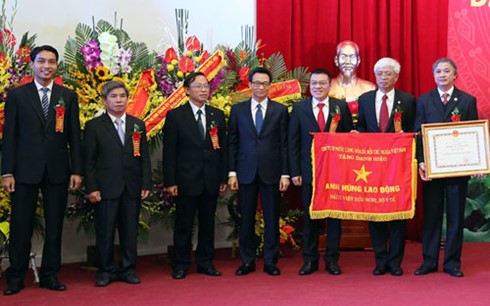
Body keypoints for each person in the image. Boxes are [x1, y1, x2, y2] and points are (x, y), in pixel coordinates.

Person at [1, 45, 82, 295]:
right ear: (32, 64)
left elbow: (74, 138)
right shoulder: (17, 95)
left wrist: (76, 170)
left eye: (52, 62)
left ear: (57, 66)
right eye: (41, 61)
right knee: (20, 225)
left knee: (55, 225)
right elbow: (10, 137)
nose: (47, 66)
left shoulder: (67, 96)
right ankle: (15, 276)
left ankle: (50, 274)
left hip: (57, 171)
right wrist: (7, 172)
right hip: (23, 171)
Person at [414, 58, 478, 278]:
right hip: (432, 170)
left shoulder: (468, 101)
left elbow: (473, 133)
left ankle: (452, 263)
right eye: (438, 71)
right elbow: (418, 135)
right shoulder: (423, 101)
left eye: (446, 71)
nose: (442, 74)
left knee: (455, 217)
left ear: (455, 74)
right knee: (431, 217)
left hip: (457, 170)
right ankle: (429, 261)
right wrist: (421, 161)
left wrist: (476, 161)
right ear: (433, 76)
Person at [84, 81, 151, 287]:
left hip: (131, 187)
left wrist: (145, 183)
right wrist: (92, 188)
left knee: (130, 231)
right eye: (114, 96)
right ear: (105, 100)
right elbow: (89, 161)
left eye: (122, 96)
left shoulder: (137, 124)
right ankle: (105, 270)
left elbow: (145, 158)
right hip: (105, 189)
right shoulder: (94, 126)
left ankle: (128, 268)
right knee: (105, 231)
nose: (119, 100)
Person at [163, 71, 227, 279]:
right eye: (198, 86)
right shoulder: (175, 116)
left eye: (206, 86)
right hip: (185, 180)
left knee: (208, 224)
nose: (203, 89)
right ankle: (181, 264)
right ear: (186, 90)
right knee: (184, 225)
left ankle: (205, 262)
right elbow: (169, 152)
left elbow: (223, 149)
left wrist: (223, 177)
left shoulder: (217, 115)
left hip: (210, 179)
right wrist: (170, 181)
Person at [289, 68, 353, 276]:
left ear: (329, 85)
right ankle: (310, 260)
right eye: (314, 83)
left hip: (335, 172)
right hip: (309, 172)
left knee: (334, 217)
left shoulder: (340, 107)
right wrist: (295, 171)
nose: (318, 87)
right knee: (311, 217)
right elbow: (293, 142)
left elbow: (348, 140)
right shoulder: (299, 108)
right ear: (309, 86)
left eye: (322, 83)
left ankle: (332, 260)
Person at [357, 57, 416, 276]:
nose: (383, 77)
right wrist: (357, 135)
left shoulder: (408, 100)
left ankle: (395, 262)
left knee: (398, 215)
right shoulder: (364, 99)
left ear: (396, 76)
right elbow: (362, 126)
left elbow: (413, 131)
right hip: (372, 167)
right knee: (376, 214)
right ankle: (380, 260)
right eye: (380, 73)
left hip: (398, 167)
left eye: (388, 73)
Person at [228, 67, 290, 277]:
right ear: (250, 84)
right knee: (246, 218)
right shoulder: (238, 110)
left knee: (272, 218)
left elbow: (284, 145)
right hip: (245, 172)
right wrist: (232, 172)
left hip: (272, 172)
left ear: (269, 86)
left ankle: (271, 261)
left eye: (265, 83)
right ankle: (247, 261)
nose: (260, 87)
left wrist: (285, 174)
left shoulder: (280, 111)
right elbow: (232, 143)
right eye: (257, 83)